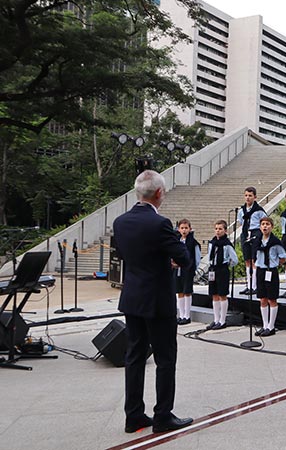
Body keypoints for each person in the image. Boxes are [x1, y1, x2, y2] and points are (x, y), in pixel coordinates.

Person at [113, 170, 193, 433]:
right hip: (157, 299)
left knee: (134, 356)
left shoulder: (120, 222)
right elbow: (183, 258)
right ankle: (162, 416)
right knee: (165, 358)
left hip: (132, 297)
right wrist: (170, 255)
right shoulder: (160, 223)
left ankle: (133, 415)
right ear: (159, 193)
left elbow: (124, 255)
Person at [253, 216, 286, 337]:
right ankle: (265, 324)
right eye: (263, 224)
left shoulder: (275, 242)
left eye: (267, 224)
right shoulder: (257, 241)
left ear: (272, 227)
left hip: (271, 271)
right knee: (262, 298)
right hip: (261, 270)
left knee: (272, 298)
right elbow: (254, 256)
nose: (265, 226)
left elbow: (283, 257)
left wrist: (275, 264)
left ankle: (271, 326)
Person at [206, 220, 239, 330]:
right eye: (216, 229)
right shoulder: (212, 243)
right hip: (213, 269)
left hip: (222, 270)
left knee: (222, 294)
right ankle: (216, 319)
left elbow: (234, 259)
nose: (218, 231)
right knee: (214, 294)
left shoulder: (227, 244)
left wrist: (227, 264)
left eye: (220, 229)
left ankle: (222, 320)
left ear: (225, 230)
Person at [237, 187, 266, 296]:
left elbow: (264, 222)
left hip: (255, 234)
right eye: (246, 195)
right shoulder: (241, 210)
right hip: (245, 233)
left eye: (250, 195)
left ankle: (255, 285)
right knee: (247, 259)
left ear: (255, 197)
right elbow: (241, 222)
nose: (248, 198)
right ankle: (248, 285)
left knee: (254, 259)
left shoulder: (259, 210)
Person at [174, 219, 201, 325]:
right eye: (182, 228)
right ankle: (181, 315)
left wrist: (192, 268)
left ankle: (187, 315)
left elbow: (197, 258)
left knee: (187, 291)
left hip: (187, 270)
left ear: (190, 229)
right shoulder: (177, 241)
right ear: (178, 229)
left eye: (186, 228)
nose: (184, 230)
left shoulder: (193, 243)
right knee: (179, 291)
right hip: (177, 269)